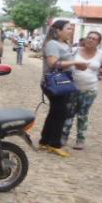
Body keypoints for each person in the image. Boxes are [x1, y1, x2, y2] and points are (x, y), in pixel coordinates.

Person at [39, 20, 88, 157]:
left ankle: (44, 141)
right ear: (58, 30)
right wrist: (75, 62)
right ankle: (55, 144)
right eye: (68, 28)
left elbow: (65, 63)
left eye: (71, 29)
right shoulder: (52, 44)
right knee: (61, 112)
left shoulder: (65, 44)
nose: (70, 31)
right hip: (53, 83)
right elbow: (53, 63)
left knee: (55, 112)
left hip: (63, 81)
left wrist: (76, 65)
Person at [61, 31, 102, 150]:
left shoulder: (100, 55)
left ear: (98, 43)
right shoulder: (75, 51)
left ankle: (80, 140)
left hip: (90, 89)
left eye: (94, 39)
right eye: (89, 37)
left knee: (83, 115)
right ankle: (63, 138)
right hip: (72, 88)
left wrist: (101, 75)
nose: (90, 40)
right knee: (68, 114)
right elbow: (64, 64)